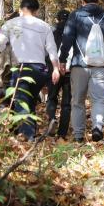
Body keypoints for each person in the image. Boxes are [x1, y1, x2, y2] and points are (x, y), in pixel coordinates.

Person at [59, 0, 104, 143]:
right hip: (100, 66)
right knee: (98, 99)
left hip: (79, 65)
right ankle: (97, 128)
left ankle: (79, 135)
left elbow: (67, 39)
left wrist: (62, 59)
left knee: (77, 101)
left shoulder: (75, 16)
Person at [0, 0, 60, 141]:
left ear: (21, 9)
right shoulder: (44, 26)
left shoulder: (11, 23)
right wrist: (55, 69)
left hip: (21, 68)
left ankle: (28, 136)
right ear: (36, 10)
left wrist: (8, 48)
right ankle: (30, 132)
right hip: (40, 70)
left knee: (20, 101)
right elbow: (52, 49)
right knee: (29, 100)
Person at [45, 10, 72, 138]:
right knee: (66, 102)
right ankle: (62, 132)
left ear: (58, 18)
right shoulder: (74, 30)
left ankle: (51, 121)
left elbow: (47, 51)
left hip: (54, 69)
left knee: (52, 97)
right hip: (69, 69)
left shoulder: (52, 31)